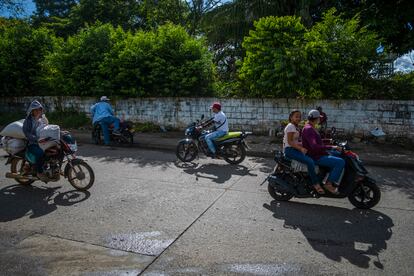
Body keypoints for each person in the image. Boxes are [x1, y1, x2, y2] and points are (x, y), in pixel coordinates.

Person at [301, 109, 345, 194]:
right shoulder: (309, 129)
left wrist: (329, 141)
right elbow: (314, 146)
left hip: (318, 153)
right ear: (316, 118)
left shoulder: (311, 127)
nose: (320, 120)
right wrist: (332, 146)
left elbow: (318, 142)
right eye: (319, 118)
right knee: (340, 162)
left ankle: (332, 177)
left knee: (340, 155)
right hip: (315, 156)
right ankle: (329, 183)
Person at [283, 110, 324, 194]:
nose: (298, 118)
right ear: (291, 117)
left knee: (311, 156)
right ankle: (315, 184)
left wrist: (304, 145)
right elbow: (290, 142)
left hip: (293, 148)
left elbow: (295, 141)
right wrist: (300, 148)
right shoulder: (290, 126)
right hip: (290, 150)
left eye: (299, 116)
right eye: (296, 116)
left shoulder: (295, 126)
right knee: (310, 161)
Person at [22, 100, 48, 181]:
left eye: (39, 109)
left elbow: (48, 128)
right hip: (32, 143)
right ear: (32, 111)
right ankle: (39, 172)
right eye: (35, 110)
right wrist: (37, 139)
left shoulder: (42, 119)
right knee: (41, 153)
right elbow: (27, 133)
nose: (38, 111)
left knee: (54, 151)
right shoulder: (28, 121)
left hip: (43, 142)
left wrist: (60, 132)